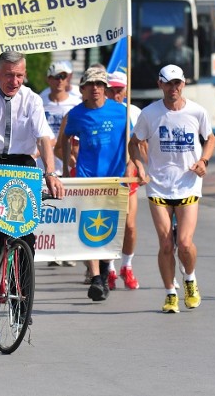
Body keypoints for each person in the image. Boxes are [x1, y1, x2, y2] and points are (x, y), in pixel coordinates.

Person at [0, 51, 64, 280]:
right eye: (9, 75)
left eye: (19, 75)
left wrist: (50, 172)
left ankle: (22, 292)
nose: (14, 81)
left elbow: (43, 138)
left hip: (21, 161)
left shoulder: (33, 99)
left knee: (25, 228)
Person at [128, 64, 215, 313]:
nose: (173, 88)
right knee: (166, 244)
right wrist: (140, 167)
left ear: (184, 84)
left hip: (188, 184)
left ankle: (189, 279)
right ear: (160, 85)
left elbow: (210, 138)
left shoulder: (197, 112)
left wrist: (203, 161)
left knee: (185, 244)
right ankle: (169, 293)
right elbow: (134, 143)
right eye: (168, 83)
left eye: (177, 83)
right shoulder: (150, 114)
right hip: (159, 185)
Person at [60, 67, 130, 301]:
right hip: (87, 178)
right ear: (83, 89)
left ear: (106, 89)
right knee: (88, 227)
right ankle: (97, 279)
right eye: (91, 85)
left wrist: (134, 164)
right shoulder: (76, 114)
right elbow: (65, 140)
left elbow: (134, 141)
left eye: (100, 85)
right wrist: (65, 169)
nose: (96, 89)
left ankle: (105, 268)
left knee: (108, 230)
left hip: (115, 178)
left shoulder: (122, 112)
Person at [104, 71, 142, 290]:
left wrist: (135, 163)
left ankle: (126, 265)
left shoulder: (134, 113)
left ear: (126, 90)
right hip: (106, 176)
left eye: (119, 90)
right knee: (108, 224)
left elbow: (142, 144)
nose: (115, 94)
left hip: (127, 177)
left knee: (129, 225)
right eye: (112, 90)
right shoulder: (100, 111)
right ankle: (108, 266)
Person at [41, 61, 81, 267]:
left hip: (67, 160)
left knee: (67, 206)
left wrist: (74, 153)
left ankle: (68, 249)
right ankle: (53, 250)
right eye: (56, 77)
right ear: (49, 79)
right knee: (49, 207)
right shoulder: (39, 100)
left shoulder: (75, 102)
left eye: (64, 77)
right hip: (45, 161)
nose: (60, 81)